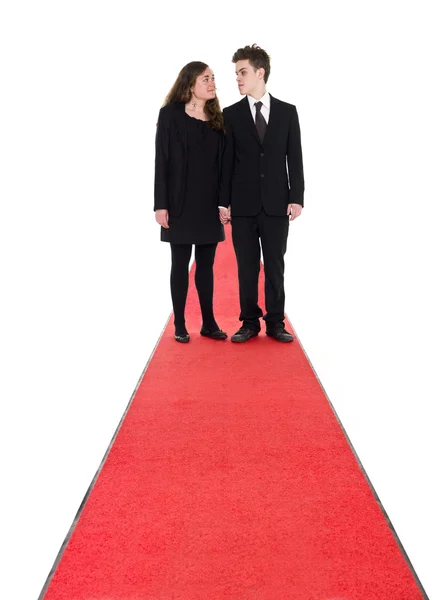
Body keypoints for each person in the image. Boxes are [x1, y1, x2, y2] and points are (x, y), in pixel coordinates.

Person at [219, 44, 304, 343]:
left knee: (275, 266)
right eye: (236, 73)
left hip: (277, 203)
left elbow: (294, 158)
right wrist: (222, 201)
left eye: (242, 72)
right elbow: (226, 162)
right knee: (246, 267)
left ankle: (276, 322)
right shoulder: (230, 115)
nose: (238, 78)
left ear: (260, 72)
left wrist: (297, 197)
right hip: (242, 206)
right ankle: (250, 322)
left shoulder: (287, 112)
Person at [154, 62, 227, 343]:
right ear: (190, 84)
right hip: (179, 203)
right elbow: (162, 161)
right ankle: (180, 324)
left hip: (209, 204)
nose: (212, 83)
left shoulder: (217, 116)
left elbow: (223, 166)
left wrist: (224, 203)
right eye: (205, 79)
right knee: (180, 263)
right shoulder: (170, 115)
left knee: (206, 266)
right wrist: (161, 205)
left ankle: (208, 322)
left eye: (213, 78)